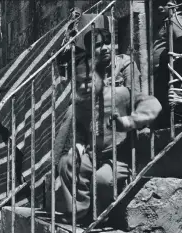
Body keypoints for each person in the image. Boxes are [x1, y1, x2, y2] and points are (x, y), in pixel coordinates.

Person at [51, 53, 162, 226]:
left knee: (102, 179)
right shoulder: (81, 104)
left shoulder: (121, 95)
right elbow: (80, 130)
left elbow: (153, 104)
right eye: (78, 82)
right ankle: (78, 212)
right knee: (66, 163)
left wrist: (128, 121)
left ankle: (102, 214)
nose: (83, 86)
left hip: (119, 157)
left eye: (88, 80)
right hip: (93, 154)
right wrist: (79, 146)